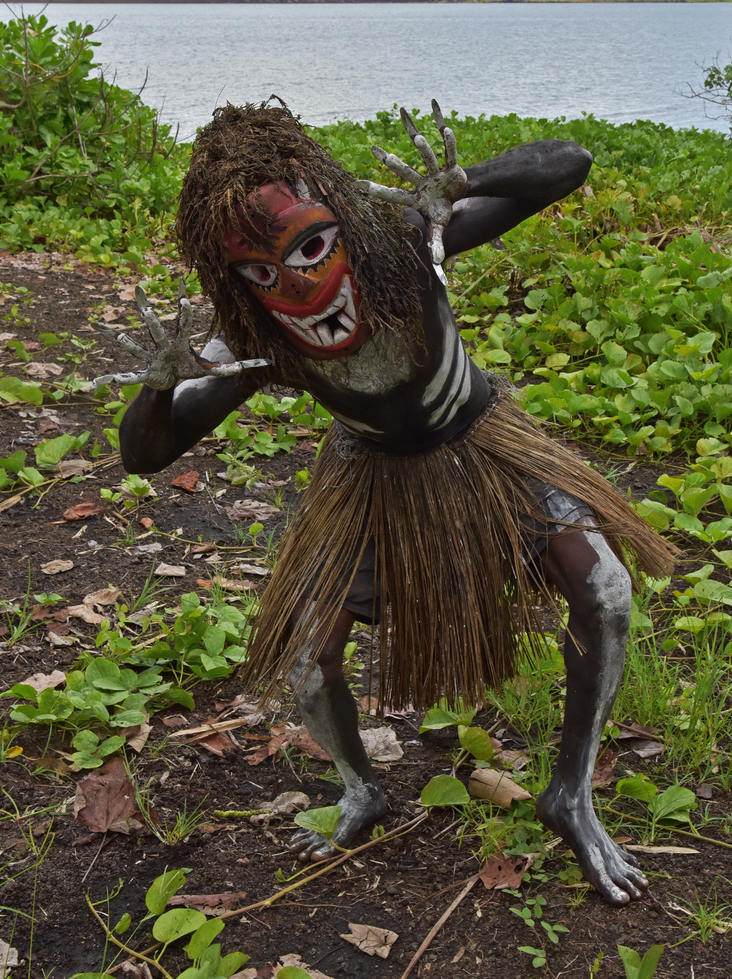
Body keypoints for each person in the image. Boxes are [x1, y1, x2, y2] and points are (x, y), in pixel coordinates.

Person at [103, 100, 673, 905]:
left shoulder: (407, 248)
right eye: (261, 272)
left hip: (482, 444)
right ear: (233, 281)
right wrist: (160, 386)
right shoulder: (258, 337)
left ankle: (569, 793)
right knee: (305, 660)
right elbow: (145, 453)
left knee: (605, 589)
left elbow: (569, 164)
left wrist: (464, 180)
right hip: (369, 481)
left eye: (311, 245)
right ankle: (360, 788)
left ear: (341, 217)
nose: (298, 284)